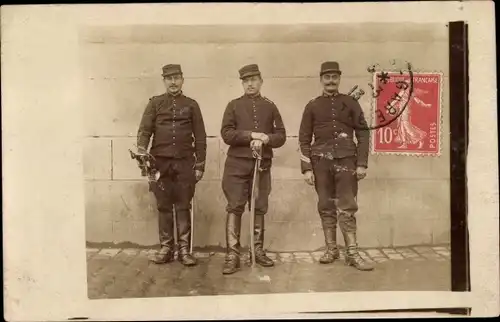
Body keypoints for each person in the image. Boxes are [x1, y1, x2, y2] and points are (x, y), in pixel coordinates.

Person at [298, 61, 374, 271]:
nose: (331, 81)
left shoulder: (350, 103)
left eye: (334, 77)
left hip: (346, 161)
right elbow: (303, 138)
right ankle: (332, 249)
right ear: (321, 79)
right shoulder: (312, 105)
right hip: (320, 162)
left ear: (339, 79)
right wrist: (306, 168)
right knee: (325, 204)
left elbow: (363, 133)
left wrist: (362, 164)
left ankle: (352, 253)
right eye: (327, 77)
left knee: (347, 206)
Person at [136, 64, 207, 266]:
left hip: (185, 164)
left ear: (182, 79)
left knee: (183, 205)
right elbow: (144, 132)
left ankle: (184, 250)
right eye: (169, 78)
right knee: (164, 205)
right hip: (160, 164)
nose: (173, 82)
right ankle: (166, 248)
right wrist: (142, 155)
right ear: (164, 80)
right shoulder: (155, 104)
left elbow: (200, 137)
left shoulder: (192, 105)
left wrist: (199, 164)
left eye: (176, 78)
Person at [220, 64, 287, 275]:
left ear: (261, 81)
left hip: (262, 165)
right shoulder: (233, 105)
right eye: (246, 80)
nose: (250, 83)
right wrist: (252, 135)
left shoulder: (270, 106)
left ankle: (257, 250)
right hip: (236, 165)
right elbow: (227, 134)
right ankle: (233, 254)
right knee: (235, 206)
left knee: (259, 207)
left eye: (254, 79)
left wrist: (267, 138)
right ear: (242, 83)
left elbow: (281, 136)